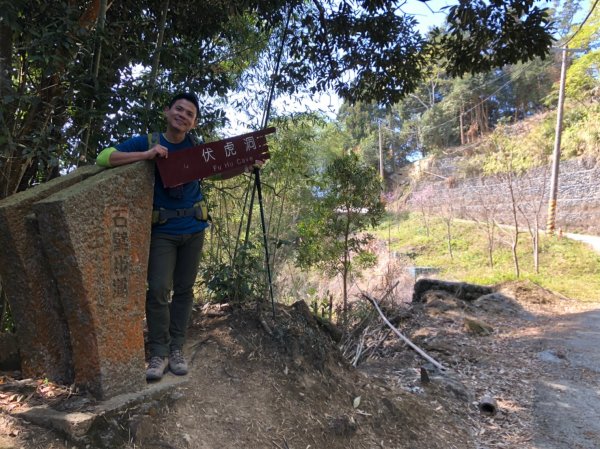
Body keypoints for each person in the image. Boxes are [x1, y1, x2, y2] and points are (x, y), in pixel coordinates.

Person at [97, 92, 216, 381]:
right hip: (162, 231)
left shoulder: (197, 148)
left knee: (185, 290)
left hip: (194, 229)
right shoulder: (148, 142)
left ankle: (177, 348)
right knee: (160, 289)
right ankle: (159, 352)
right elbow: (103, 157)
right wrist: (147, 156)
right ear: (167, 112)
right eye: (179, 109)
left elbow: (219, 170)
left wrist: (247, 164)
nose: (183, 116)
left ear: (194, 122)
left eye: (189, 114)